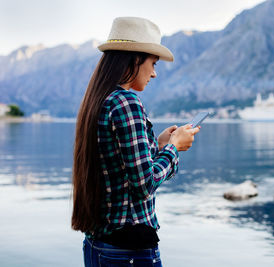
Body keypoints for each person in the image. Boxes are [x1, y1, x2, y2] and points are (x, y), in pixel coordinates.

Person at [71, 17, 200, 267]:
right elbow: (144, 184)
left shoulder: (99, 99)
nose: (154, 72)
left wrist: (159, 146)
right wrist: (174, 149)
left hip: (99, 243)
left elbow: (121, 171)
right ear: (134, 59)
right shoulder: (126, 102)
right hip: (129, 250)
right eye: (152, 63)